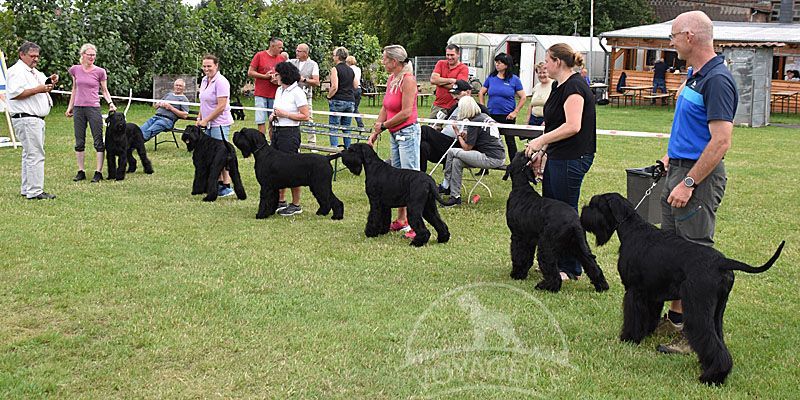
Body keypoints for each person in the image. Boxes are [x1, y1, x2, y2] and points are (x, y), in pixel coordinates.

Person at [655, 10, 738, 355]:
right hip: (678, 169)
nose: (671, 43)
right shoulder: (694, 74)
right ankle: (677, 320)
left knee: (697, 257)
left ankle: (696, 335)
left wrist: (689, 182)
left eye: (673, 36)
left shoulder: (717, 79)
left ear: (689, 36)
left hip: (697, 178)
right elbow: (689, 128)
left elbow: (721, 141)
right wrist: (669, 157)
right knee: (674, 252)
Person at [524, 43, 597, 281]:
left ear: (558, 62)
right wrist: (542, 151)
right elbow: (555, 124)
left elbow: (573, 126)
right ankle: (554, 261)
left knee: (565, 213)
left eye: (547, 60)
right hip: (557, 155)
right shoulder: (558, 86)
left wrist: (540, 141)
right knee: (553, 211)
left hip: (573, 157)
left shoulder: (575, 87)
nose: (544, 65)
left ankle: (571, 267)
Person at [367, 44, 421, 239]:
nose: (383, 62)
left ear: (395, 61)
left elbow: (406, 112)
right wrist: (376, 129)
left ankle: (416, 224)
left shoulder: (408, 80)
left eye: (385, 59)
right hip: (394, 133)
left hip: (407, 132)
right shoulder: (392, 79)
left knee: (411, 178)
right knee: (397, 179)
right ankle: (401, 219)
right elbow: (386, 107)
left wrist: (384, 125)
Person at [7, 41, 57, 200]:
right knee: (35, 154)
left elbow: (44, 85)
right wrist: (38, 89)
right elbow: (14, 93)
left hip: (35, 119)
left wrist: (50, 81)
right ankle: (35, 191)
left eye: (37, 56)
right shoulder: (16, 71)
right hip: (27, 118)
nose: (35, 59)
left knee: (29, 154)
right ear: (22, 55)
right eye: (32, 56)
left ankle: (27, 188)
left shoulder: (34, 72)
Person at [438, 96, 506, 207]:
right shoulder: (483, 117)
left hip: (490, 157)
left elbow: (467, 148)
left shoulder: (474, 122)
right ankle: (455, 197)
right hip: (496, 155)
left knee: (451, 152)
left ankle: (445, 184)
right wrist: (466, 136)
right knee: (456, 161)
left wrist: (457, 133)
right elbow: (479, 139)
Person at [65, 43, 115, 183]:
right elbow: (74, 89)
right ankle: (81, 171)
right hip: (79, 108)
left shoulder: (100, 71)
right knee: (79, 140)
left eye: (94, 55)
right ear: (83, 55)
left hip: (93, 108)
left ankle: (98, 172)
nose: (92, 57)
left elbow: (104, 90)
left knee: (98, 140)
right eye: (89, 55)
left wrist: (110, 103)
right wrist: (70, 107)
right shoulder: (75, 70)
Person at [420, 79, 488, 173]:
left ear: (468, 92)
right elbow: (445, 124)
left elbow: (487, 131)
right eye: (453, 94)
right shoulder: (454, 107)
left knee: (425, 130)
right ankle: (420, 176)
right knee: (423, 146)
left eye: (457, 94)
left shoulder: (479, 109)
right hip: (443, 145)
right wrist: (438, 128)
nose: (454, 97)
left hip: (459, 145)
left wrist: (467, 134)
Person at [270, 61, 311, 216]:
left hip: (290, 133)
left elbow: (305, 115)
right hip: (277, 130)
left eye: (277, 74)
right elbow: (277, 110)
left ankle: (296, 203)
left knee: (292, 168)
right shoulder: (279, 90)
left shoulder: (297, 92)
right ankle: (281, 200)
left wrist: (285, 114)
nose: (275, 77)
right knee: (277, 167)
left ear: (284, 75)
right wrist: (273, 117)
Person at [197, 54, 236, 198]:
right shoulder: (204, 80)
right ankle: (216, 183)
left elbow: (221, 106)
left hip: (219, 123)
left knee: (222, 155)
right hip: (207, 123)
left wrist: (206, 119)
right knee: (211, 155)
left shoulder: (221, 82)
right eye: (204, 66)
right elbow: (203, 101)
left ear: (216, 66)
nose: (206, 69)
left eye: (209, 66)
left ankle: (227, 185)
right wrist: (200, 117)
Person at [478, 53, 525, 159]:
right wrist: (483, 108)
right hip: (491, 115)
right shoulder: (491, 78)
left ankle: (514, 164)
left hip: (508, 116)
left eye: (500, 63)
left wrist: (515, 112)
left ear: (506, 65)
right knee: (489, 140)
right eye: (496, 62)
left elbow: (523, 97)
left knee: (510, 141)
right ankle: (487, 163)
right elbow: (481, 93)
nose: (497, 64)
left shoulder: (514, 79)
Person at [248, 37, 286, 135]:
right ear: (272, 46)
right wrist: (264, 76)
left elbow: (285, 75)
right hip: (261, 94)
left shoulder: (281, 58)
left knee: (273, 120)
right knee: (260, 120)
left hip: (276, 94)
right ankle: (261, 141)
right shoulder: (259, 55)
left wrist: (277, 80)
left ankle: (273, 142)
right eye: (279, 47)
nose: (281, 50)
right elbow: (250, 72)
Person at [289, 43, 320, 144]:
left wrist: (304, 79)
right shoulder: (291, 62)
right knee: (293, 118)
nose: (296, 53)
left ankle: (312, 142)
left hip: (305, 96)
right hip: (292, 96)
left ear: (306, 53)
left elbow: (316, 82)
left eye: (299, 51)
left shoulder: (313, 64)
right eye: (296, 50)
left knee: (308, 119)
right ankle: (295, 142)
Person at [326, 46, 357, 148]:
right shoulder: (351, 70)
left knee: (333, 127)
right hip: (350, 101)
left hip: (338, 100)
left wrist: (329, 96)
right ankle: (349, 150)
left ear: (338, 57)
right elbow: (356, 85)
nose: (333, 57)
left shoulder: (335, 69)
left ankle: (334, 149)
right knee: (346, 128)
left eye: (334, 55)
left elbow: (334, 86)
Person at [429, 44, 469, 119]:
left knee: (453, 126)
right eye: (447, 55)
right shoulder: (440, 63)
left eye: (452, 55)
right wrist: (451, 80)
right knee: (432, 125)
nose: (449, 57)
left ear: (458, 54)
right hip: (439, 105)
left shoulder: (463, 68)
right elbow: (433, 80)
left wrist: (439, 83)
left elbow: (459, 87)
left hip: (456, 106)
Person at [526, 62, 552, 126]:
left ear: (549, 73)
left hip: (546, 120)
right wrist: (527, 121)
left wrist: (546, 121)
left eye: (544, 72)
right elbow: (531, 105)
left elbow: (555, 107)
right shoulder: (537, 86)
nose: (542, 75)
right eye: (540, 73)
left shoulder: (554, 85)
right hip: (533, 119)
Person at [346, 55, 365, 128]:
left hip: (352, 88)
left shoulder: (349, 69)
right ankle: (360, 123)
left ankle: (347, 123)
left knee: (350, 107)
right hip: (359, 89)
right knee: (355, 108)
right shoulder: (358, 69)